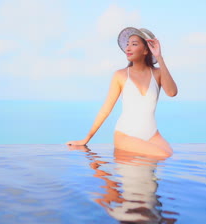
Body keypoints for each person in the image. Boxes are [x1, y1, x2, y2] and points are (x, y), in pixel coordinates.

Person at [66, 27, 177, 158]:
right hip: (125, 135)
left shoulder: (158, 73)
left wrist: (159, 57)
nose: (128, 48)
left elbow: (172, 92)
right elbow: (105, 110)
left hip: (153, 135)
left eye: (134, 44)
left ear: (146, 50)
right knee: (162, 155)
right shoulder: (120, 75)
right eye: (127, 44)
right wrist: (86, 139)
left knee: (169, 155)